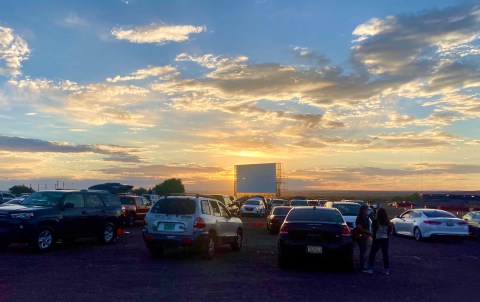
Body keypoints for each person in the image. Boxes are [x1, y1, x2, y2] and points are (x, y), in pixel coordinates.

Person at [365, 207, 392, 275]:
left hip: (377, 239)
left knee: (372, 254)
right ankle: (386, 269)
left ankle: (370, 268)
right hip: (385, 239)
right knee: (385, 254)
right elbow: (389, 231)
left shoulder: (375, 221)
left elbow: (373, 230)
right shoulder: (388, 221)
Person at [354, 205, 371, 272]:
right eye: (367, 209)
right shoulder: (360, 218)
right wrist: (368, 232)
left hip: (364, 236)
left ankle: (362, 264)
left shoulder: (365, 217)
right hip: (361, 236)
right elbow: (359, 227)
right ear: (364, 210)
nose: (368, 211)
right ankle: (362, 266)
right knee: (363, 251)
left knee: (364, 251)